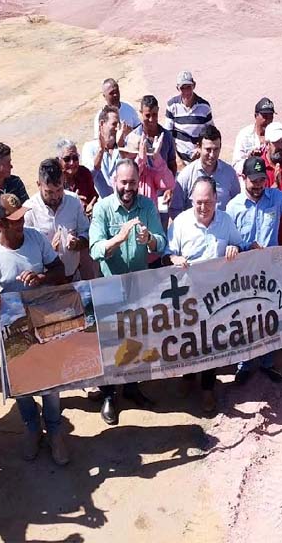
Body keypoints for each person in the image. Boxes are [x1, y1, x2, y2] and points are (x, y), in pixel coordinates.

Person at [0, 194, 70, 463]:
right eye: (14, 220)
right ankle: (32, 429)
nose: (21, 222)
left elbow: (59, 270)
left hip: (44, 321)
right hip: (14, 331)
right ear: (1, 223)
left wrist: (41, 277)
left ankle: (54, 431)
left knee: (51, 382)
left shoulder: (36, 238)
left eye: (21, 217)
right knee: (22, 384)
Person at [89, 159, 167, 423]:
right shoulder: (102, 209)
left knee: (137, 337)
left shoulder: (146, 206)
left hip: (139, 285)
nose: (128, 188)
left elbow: (162, 243)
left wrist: (151, 240)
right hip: (109, 286)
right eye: (123, 182)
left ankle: (133, 387)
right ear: (114, 182)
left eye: (132, 182)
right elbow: (95, 249)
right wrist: (119, 239)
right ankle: (110, 395)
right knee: (111, 342)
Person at [226, 156, 282, 383]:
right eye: (253, 180)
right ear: (243, 178)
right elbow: (228, 241)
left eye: (262, 179)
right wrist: (245, 246)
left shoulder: (275, 197)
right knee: (243, 317)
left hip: (270, 271)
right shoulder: (232, 207)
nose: (258, 185)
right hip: (242, 273)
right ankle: (244, 364)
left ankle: (267, 362)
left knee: (269, 316)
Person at [167, 177, 243, 413]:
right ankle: (188, 377)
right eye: (198, 202)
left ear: (216, 200)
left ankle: (208, 388)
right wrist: (173, 259)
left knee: (212, 342)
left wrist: (235, 249)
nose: (203, 207)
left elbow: (239, 246)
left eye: (207, 202)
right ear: (191, 201)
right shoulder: (180, 223)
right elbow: (167, 253)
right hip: (188, 294)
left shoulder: (226, 221)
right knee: (188, 339)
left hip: (217, 295)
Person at [24, 159, 91, 282]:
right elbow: (25, 253)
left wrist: (78, 243)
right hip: (46, 283)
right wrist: (48, 250)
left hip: (73, 277)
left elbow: (86, 233)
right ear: (38, 184)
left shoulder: (74, 201)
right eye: (49, 192)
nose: (55, 196)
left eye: (59, 190)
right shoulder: (29, 210)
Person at [171, 125, 241, 218]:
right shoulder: (186, 176)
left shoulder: (230, 174)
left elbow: (237, 204)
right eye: (208, 150)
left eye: (216, 149)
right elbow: (175, 209)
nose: (212, 155)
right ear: (198, 147)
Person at [117, 130, 175, 221]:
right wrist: (140, 160)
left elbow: (169, 183)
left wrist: (157, 158)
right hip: (128, 224)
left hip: (150, 225)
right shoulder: (118, 175)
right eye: (134, 157)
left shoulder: (150, 174)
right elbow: (133, 174)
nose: (137, 160)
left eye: (138, 156)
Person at [165, 70, 213, 164]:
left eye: (188, 87)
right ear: (177, 88)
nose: (186, 91)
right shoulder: (172, 106)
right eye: (183, 88)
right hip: (179, 161)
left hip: (199, 161)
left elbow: (211, 134)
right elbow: (168, 136)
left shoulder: (204, 107)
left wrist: (200, 149)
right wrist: (177, 160)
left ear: (194, 85)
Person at [81, 106, 122, 199]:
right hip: (101, 206)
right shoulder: (90, 147)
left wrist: (122, 147)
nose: (117, 129)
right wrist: (101, 151)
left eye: (118, 125)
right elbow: (88, 176)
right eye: (114, 124)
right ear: (102, 124)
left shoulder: (122, 148)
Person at [56, 138, 98, 218]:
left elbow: (94, 198)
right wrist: (71, 201)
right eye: (67, 159)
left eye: (75, 158)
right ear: (59, 160)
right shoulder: (55, 179)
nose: (72, 163)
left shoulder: (84, 173)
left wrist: (91, 207)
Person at [136, 94, 177, 174]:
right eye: (147, 115)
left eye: (154, 115)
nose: (151, 119)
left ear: (158, 110)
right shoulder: (134, 136)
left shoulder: (167, 136)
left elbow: (172, 165)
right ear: (141, 113)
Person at [232, 98, 274, 166]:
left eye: (271, 117)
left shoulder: (276, 135)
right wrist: (250, 159)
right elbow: (236, 165)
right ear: (256, 116)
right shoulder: (244, 135)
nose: (268, 121)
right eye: (265, 117)